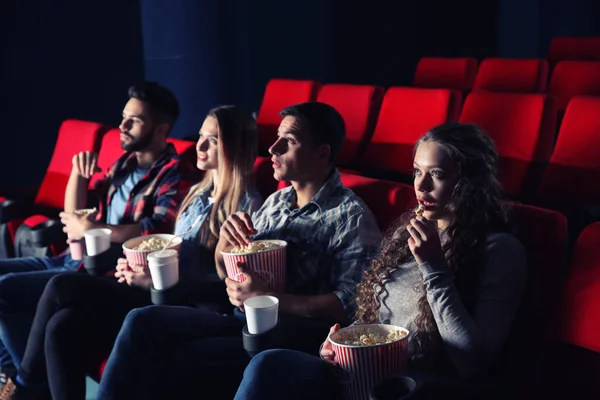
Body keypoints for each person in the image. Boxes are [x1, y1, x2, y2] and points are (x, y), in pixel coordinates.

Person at [94, 102, 382, 400]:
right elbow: (230, 274)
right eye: (277, 137)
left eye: (290, 141)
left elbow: (351, 304)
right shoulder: (276, 202)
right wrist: (224, 250)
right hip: (241, 321)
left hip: (291, 334)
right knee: (142, 319)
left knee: (183, 359)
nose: (273, 148)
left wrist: (269, 299)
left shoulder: (350, 216)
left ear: (322, 152)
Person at [232, 122, 528, 400]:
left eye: (436, 174)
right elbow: (373, 319)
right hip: (362, 372)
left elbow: (472, 361)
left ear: (470, 182)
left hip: (412, 388)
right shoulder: (409, 230)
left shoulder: (500, 250)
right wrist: (338, 346)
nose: (421, 186)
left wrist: (434, 269)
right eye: (416, 172)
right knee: (269, 363)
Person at [0, 106, 263, 400]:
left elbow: (226, 287)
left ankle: (25, 387)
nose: (199, 146)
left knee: (61, 285)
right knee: (63, 325)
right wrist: (134, 267)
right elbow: (168, 249)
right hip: (155, 290)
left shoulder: (246, 206)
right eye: (201, 136)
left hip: (187, 302)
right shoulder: (197, 193)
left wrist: (156, 280)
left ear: (235, 146)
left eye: (212, 140)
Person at [0, 82, 192, 389]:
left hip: (99, 268)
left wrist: (92, 229)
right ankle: (12, 377)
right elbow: (73, 217)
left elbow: (158, 229)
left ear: (160, 129)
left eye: (135, 120)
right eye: (123, 117)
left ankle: (24, 386)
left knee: (7, 291)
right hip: (70, 257)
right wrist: (78, 175)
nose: (123, 126)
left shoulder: (173, 170)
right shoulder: (123, 165)